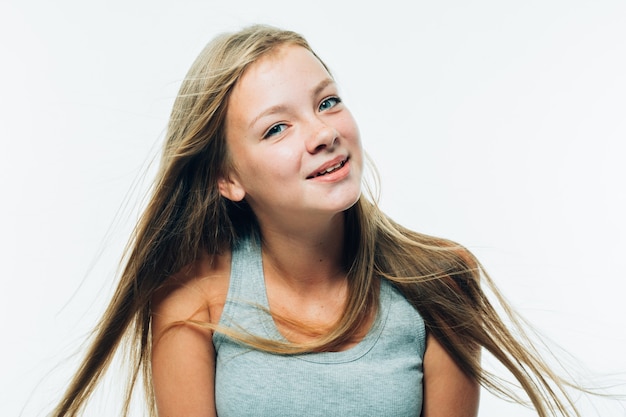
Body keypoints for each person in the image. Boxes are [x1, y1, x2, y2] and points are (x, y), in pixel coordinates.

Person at [52, 24, 585, 417]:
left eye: (327, 101)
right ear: (228, 178)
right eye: (276, 129)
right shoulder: (193, 299)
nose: (322, 132)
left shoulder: (441, 281)